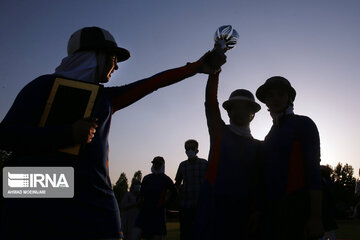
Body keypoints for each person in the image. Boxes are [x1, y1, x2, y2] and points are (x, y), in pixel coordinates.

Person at [0, 26, 226, 239]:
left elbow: (152, 83)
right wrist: (66, 134)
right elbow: (5, 136)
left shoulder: (105, 98)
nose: (116, 66)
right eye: (113, 58)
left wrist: (196, 67)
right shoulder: (42, 86)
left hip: (93, 210)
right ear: (95, 55)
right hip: (36, 210)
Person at [194, 71, 263, 240]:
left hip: (244, 214)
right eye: (235, 106)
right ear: (228, 111)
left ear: (252, 113)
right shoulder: (219, 132)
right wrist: (214, 72)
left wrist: (258, 209)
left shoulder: (260, 147)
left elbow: (259, 182)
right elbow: (210, 103)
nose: (240, 110)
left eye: (245, 106)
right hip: (212, 210)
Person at [255, 76, 323, 240]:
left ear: (289, 98)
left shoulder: (304, 123)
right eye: (270, 95)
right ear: (265, 101)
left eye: (280, 94)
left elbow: (313, 171)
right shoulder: (269, 136)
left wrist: (316, 217)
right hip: (272, 214)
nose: (275, 98)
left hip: (298, 209)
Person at [135, 156, 177, 240]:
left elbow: (174, 192)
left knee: (157, 236)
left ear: (162, 165)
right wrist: (139, 201)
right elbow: (141, 193)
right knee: (144, 235)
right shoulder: (147, 178)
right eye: (155, 163)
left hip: (159, 211)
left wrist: (167, 203)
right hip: (146, 210)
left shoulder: (166, 179)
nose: (156, 165)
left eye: (159, 164)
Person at [175, 139, 208, 240]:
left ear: (197, 150)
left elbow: (211, 182)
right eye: (187, 149)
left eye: (192, 148)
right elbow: (177, 183)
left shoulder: (204, 163)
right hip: (186, 205)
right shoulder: (182, 165)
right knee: (185, 233)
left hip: (202, 204)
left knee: (202, 232)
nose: (189, 151)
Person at [320, 165, 337, 240]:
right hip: (325, 211)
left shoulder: (326, 183)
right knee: (329, 233)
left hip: (325, 211)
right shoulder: (328, 182)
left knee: (327, 233)